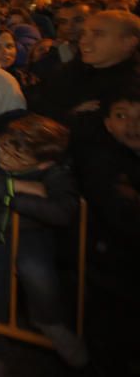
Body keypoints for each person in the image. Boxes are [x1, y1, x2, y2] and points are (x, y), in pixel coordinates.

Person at [0, 113, 87, 374]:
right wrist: (17, 186)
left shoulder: (58, 167)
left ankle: (50, 323)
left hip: (31, 230)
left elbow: (62, 211)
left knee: (40, 276)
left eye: (17, 159)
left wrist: (0, 191)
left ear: (42, 165)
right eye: (3, 149)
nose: (4, 158)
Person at [77, 89, 140, 375]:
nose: (133, 125)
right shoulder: (102, 162)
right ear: (108, 123)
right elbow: (116, 210)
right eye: (122, 116)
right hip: (111, 267)